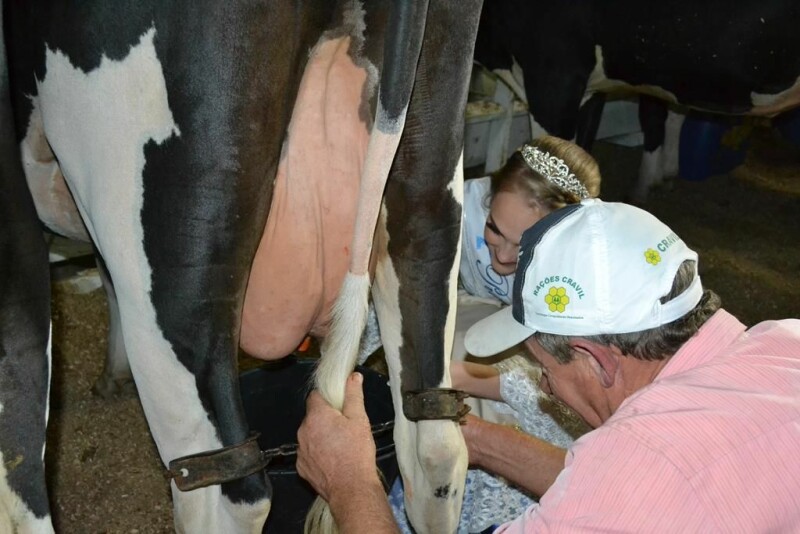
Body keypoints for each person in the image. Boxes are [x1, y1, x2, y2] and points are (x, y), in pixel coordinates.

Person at [297, 199, 800, 532]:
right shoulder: (785, 339)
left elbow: (626, 487)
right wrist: (473, 437)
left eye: (546, 372)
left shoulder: (635, 472)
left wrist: (348, 480)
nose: (548, 391)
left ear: (595, 358)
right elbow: (628, 490)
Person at [388, 137, 600, 532]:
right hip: (475, 312)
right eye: (494, 230)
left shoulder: (579, 278)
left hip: (541, 353)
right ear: (487, 200)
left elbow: (567, 380)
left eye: (524, 248)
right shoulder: (456, 212)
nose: (501, 256)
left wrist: (467, 378)